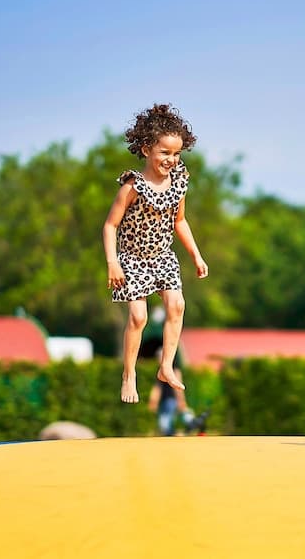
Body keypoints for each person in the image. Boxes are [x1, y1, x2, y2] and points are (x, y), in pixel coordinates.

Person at [102, 104, 208, 403]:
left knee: (177, 305)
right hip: (132, 258)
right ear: (147, 149)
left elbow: (180, 221)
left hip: (162, 257)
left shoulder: (178, 184)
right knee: (139, 316)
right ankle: (129, 375)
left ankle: (166, 366)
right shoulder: (133, 186)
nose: (171, 159)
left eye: (177, 154)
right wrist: (112, 262)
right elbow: (110, 226)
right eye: (165, 153)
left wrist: (196, 255)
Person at [147, 349, 189, 436]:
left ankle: (177, 433)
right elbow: (157, 388)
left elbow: (178, 388)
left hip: (170, 400)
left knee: (165, 424)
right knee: (166, 424)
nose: (158, 360)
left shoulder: (174, 370)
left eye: (159, 357)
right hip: (164, 401)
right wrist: (154, 401)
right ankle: (176, 434)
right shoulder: (161, 371)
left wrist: (181, 401)